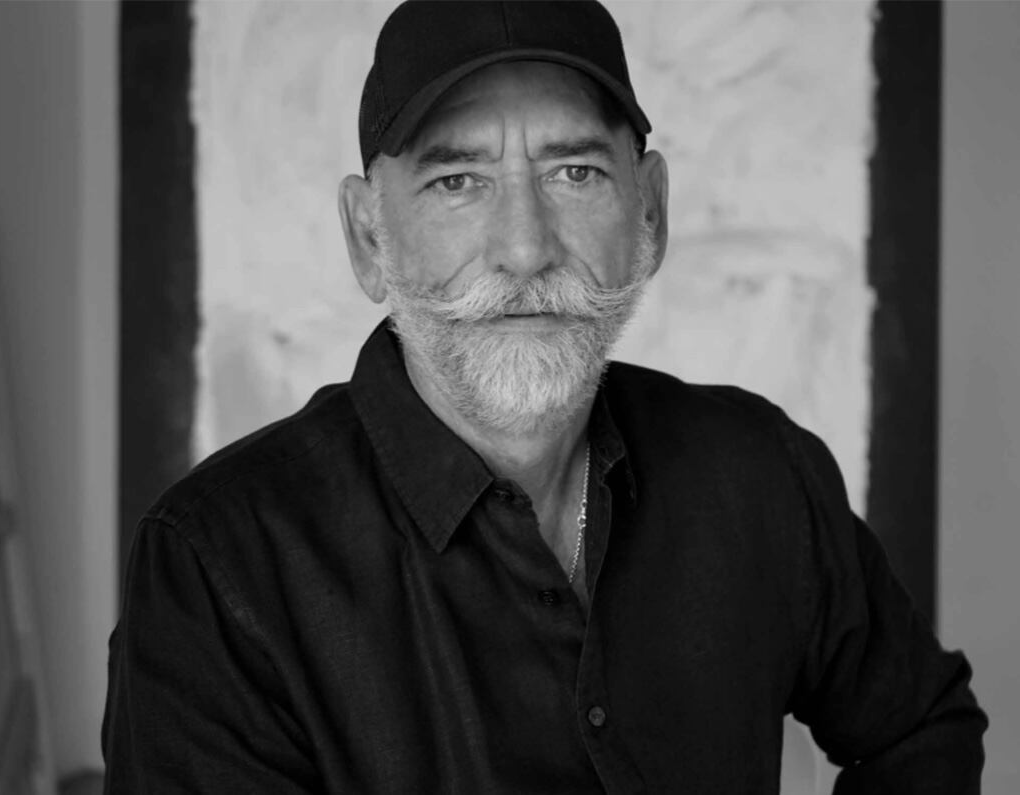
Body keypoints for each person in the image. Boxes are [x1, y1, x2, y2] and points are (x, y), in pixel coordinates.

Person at [102, 1, 987, 792]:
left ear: (650, 212)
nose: (524, 250)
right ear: (369, 237)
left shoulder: (758, 469)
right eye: (457, 181)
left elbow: (921, 729)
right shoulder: (217, 567)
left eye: (574, 173)